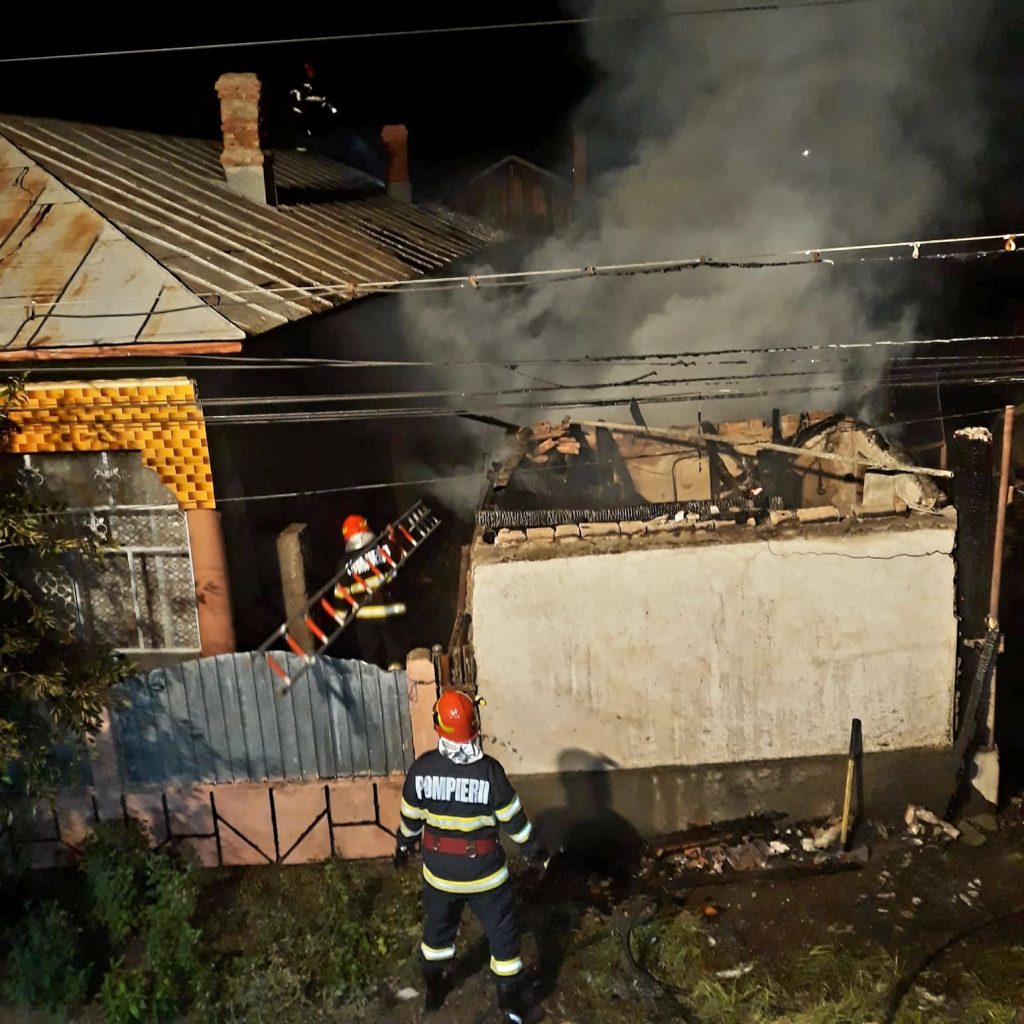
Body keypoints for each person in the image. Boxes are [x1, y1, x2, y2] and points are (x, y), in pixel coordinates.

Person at [394, 690, 549, 1023]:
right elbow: (515, 823)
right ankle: (511, 1006)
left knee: (437, 932)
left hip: (439, 875)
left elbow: (410, 821)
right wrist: (536, 853)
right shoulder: (491, 772)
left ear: (439, 726)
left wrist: (402, 846)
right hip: (486, 877)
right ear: (475, 726)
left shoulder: (421, 770)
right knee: (503, 934)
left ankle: (435, 993)